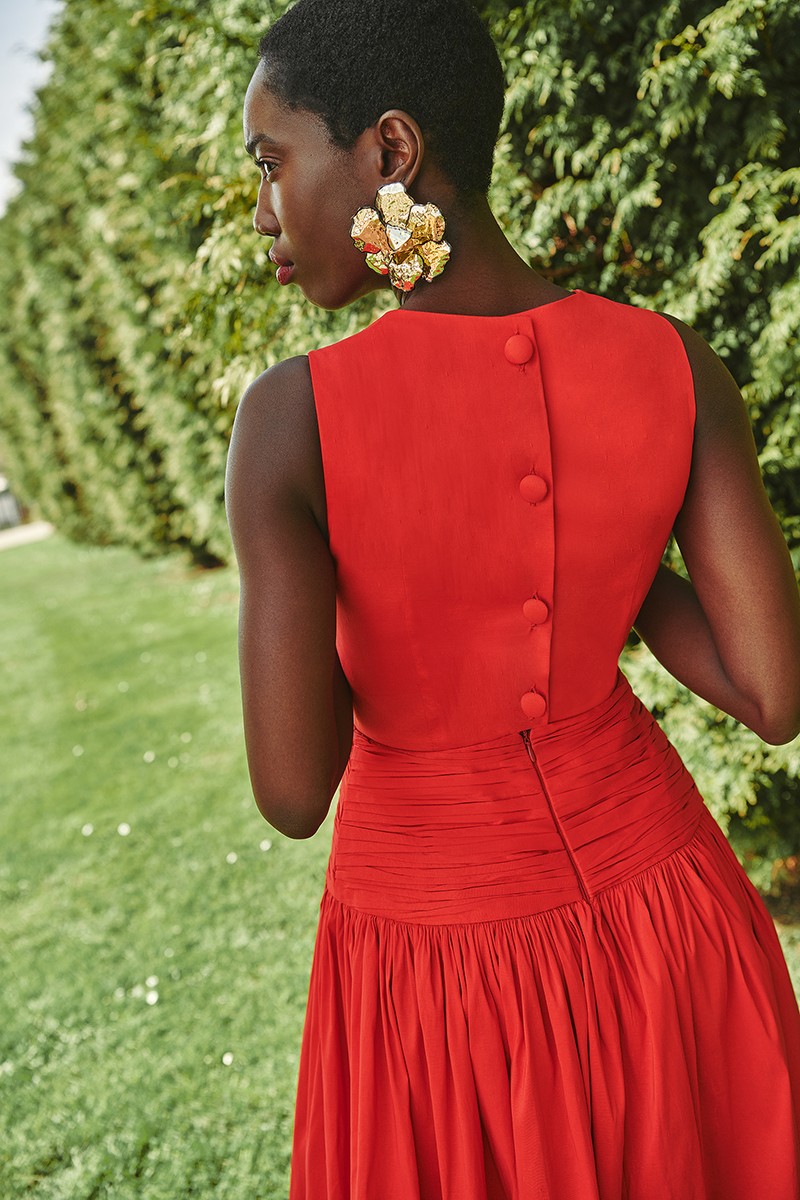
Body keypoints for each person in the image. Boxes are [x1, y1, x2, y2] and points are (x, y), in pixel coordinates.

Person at [224, 1, 800, 1196]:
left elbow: (292, 788)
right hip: (671, 934)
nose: (265, 211)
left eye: (273, 161)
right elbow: (769, 693)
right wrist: (599, 551)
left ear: (389, 152)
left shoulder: (290, 421)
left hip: (440, 985)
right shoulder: (671, 363)